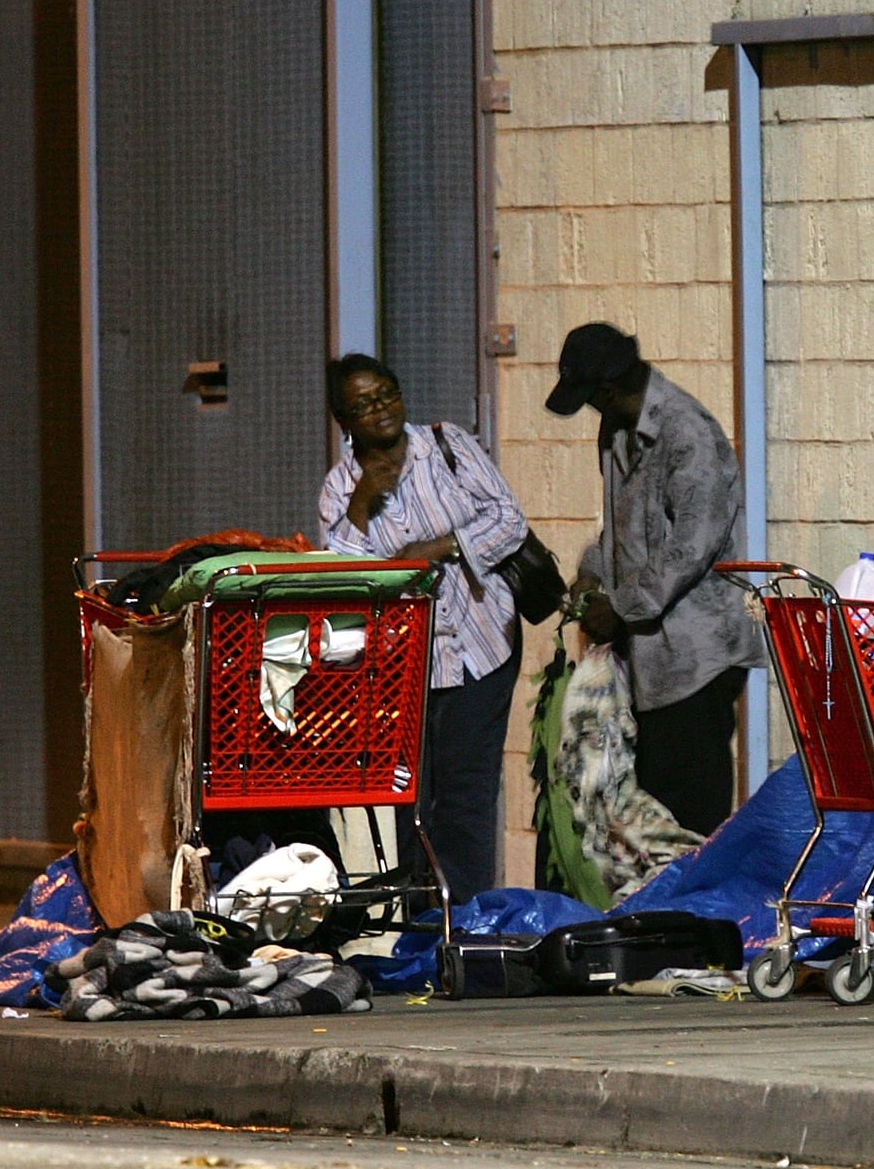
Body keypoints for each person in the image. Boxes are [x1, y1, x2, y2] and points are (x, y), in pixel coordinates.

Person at [317, 354, 528, 903]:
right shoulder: (340, 488)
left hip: (482, 641)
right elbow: (343, 576)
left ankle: (464, 915)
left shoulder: (448, 445)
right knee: (409, 794)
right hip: (402, 665)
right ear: (345, 421)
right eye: (363, 406)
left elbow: (509, 519)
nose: (380, 410)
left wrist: (435, 548)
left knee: (465, 790)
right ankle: (415, 913)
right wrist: (364, 500)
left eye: (386, 394)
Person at [545, 322, 761, 837]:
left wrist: (621, 607)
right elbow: (619, 524)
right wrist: (591, 575)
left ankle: (691, 915)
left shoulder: (688, 435)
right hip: (648, 654)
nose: (592, 412)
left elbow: (690, 547)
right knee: (645, 811)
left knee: (685, 813)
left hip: (697, 657)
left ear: (611, 389)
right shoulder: (618, 430)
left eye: (591, 399)